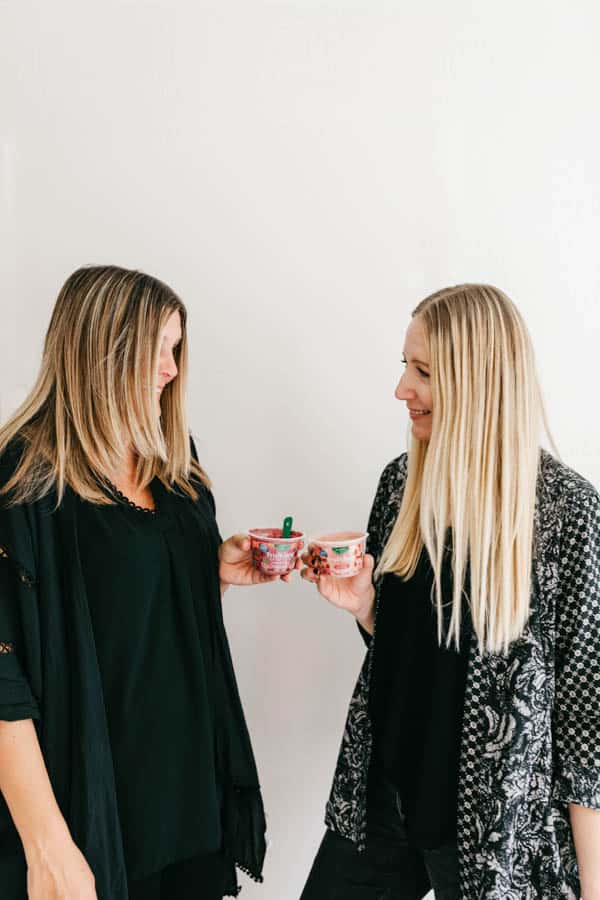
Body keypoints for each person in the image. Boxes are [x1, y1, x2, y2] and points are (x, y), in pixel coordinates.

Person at [0, 265, 295, 900]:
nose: (171, 368)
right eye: (157, 348)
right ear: (100, 349)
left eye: (177, 348)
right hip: (92, 815)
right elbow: (3, 677)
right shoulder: (24, 483)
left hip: (189, 805)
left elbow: (140, 620)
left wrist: (211, 573)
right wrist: (46, 845)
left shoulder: (175, 463)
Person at [299, 284, 600, 899]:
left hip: (495, 834)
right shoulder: (401, 484)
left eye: (424, 372)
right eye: (404, 366)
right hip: (380, 800)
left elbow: (586, 722)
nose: (401, 388)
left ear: (480, 382)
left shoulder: (566, 513)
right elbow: (412, 654)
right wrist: (363, 604)